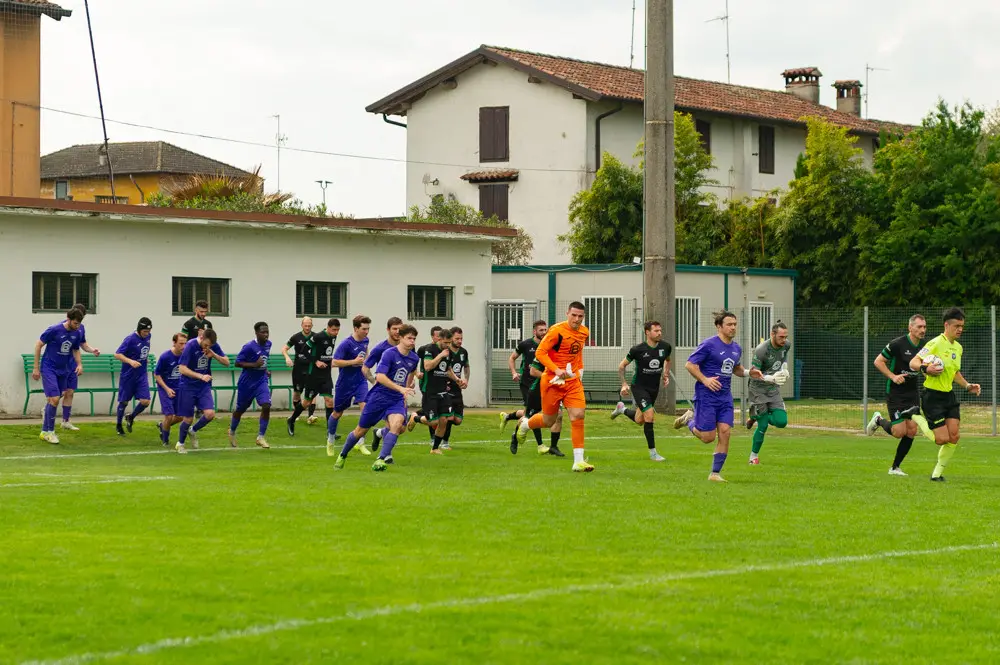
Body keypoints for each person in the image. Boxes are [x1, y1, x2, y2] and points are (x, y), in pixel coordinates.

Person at [673, 310, 750, 483]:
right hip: (706, 396)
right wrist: (705, 380)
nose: (733, 328)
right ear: (719, 326)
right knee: (708, 438)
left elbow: (735, 368)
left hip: (725, 397)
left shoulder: (737, 348)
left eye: (735, 324)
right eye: (729, 324)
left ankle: (714, 474)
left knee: (725, 432)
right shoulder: (708, 345)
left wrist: (748, 372)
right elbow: (690, 365)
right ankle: (688, 420)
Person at [516, 302, 592, 472]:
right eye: (574, 315)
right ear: (567, 313)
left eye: (580, 316)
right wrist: (556, 369)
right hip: (552, 381)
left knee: (578, 415)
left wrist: (579, 371)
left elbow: (577, 353)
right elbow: (540, 352)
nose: (577, 319)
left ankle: (578, 461)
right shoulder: (557, 331)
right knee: (548, 420)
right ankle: (525, 425)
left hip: (572, 381)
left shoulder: (584, 332)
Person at [908, 308, 981, 482]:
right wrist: (926, 368)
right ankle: (915, 415)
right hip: (932, 397)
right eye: (957, 325)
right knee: (941, 439)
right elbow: (913, 362)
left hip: (949, 396)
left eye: (962, 326)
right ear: (946, 325)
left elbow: (954, 372)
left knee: (954, 436)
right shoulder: (935, 343)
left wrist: (967, 385)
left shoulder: (958, 348)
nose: (960, 329)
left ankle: (937, 475)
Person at [334, 324, 420, 471]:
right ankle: (342, 455)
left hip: (396, 399)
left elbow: (411, 371)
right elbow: (379, 376)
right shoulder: (389, 353)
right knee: (360, 431)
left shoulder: (414, 358)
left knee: (397, 425)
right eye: (409, 338)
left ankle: (380, 460)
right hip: (379, 397)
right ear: (400, 338)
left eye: (414, 338)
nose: (412, 341)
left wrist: (406, 387)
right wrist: (400, 387)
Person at [866, 314, 927, 476]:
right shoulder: (897, 344)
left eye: (924, 327)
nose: (923, 330)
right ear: (910, 328)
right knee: (899, 432)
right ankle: (878, 420)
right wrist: (893, 376)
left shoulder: (926, 347)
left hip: (912, 393)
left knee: (912, 430)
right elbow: (878, 361)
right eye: (919, 327)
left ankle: (894, 468)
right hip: (895, 393)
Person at [610, 321, 672, 462]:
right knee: (649, 416)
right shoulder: (637, 350)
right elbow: (621, 366)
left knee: (640, 420)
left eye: (660, 330)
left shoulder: (665, 347)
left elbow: (668, 361)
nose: (659, 333)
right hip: (639, 387)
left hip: (654, 388)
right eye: (656, 331)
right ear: (647, 332)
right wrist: (624, 384)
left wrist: (666, 374)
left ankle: (622, 409)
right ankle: (653, 453)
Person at [31, 308, 85, 444]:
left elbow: (76, 349)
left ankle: (44, 432)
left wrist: (79, 364)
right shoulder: (54, 330)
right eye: (75, 323)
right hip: (49, 368)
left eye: (79, 324)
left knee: (55, 399)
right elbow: (38, 345)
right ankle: (50, 432)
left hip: (64, 370)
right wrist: (36, 368)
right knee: (54, 399)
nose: (77, 326)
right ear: (68, 319)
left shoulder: (77, 333)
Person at [744, 321, 792, 465]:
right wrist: (769, 377)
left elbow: (783, 360)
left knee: (782, 422)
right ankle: (753, 457)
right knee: (763, 425)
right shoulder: (761, 350)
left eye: (785, 337)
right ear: (772, 334)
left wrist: (785, 370)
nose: (784, 340)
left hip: (773, 389)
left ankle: (755, 415)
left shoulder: (786, 345)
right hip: (757, 389)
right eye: (781, 337)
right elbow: (753, 373)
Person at [176, 329, 230, 453]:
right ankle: (180, 443)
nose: (207, 347)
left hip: (203, 386)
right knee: (188, 418)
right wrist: (201, 376)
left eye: (210, 345)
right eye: (206, 345)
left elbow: (227, 362)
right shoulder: (190, 345)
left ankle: (193, 430)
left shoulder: (212, 346)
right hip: (188, 385)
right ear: (201, 337)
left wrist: (214, 354)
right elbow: (182, 369)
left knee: (210, 414)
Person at [328, 315, 372, 456]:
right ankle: (330, 440)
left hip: (360, 381)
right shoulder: (346, 344)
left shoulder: (366, 340)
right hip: (345, 384)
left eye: (368, 329)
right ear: (355, 328)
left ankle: (360, 443)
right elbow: (334, 362)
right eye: (364, 329)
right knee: (337, 413)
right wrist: (353, 361)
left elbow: (366, 355)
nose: (366, 332)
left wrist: (367, 365)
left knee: (366, 410)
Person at [500, 320, 548, 442]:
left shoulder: (548, 345)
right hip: (526, 382)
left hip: (540, 382)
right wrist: (514, 373)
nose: (544, 332)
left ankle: (507, 417)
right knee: (532, 414)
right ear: (534, 331)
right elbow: (512, 358)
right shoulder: (525, 344)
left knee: (529, 412)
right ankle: (539, 445)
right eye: (541, 330)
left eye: (545, 329)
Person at [228, 322, 273, 449]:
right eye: (263, 332)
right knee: (240, 410)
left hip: (261, 381)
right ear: (256, 333)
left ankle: (261, 437)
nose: (266, 335)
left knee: (266, 405)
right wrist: (254, 365)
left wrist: (265, 369)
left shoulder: (269, 344)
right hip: (246, 383)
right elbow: (237, 363)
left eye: (267, 332)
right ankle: (231, 431)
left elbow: (264, 360)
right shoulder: (248, 347)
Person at [361, 316, 403, 452]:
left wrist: (409, 383)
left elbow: (411, 367)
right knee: (392, 425)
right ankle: (386, 456)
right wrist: (374, 382)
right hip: (384, 392)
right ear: (388, 330)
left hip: (399, 392)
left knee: (400, 427)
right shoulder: (381, 348)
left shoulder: (406, 346)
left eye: (399, 329)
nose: (397, 331)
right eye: (394, 329)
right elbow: (365, 368)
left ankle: (378, 433)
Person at [509, 357, 565, 457]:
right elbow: (533, 371)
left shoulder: (564, 354)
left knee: (559, 416)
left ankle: (553, 447)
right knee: (528, 417)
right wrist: (549, 377)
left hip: (554, 391)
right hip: (537, 392)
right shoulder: (544, 352)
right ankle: (515, 437)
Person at [417, 328, 460, 453]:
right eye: (446, 343)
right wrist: (440, 356)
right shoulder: (430, 349)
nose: (448, 345)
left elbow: (447, 370)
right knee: (433, 421)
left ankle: (435, 448)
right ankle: (414, 418)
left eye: (449, 343)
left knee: (444, 420)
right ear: (439, 339)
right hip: (429, 390)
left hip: (442, 390)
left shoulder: (449, 352)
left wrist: (457, 379)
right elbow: (428, 366)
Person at [60, 303, 100, 431]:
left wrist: (92, 350)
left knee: (70, 392)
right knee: (60, 393)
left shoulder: (80, 328)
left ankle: (65, 421)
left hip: (72, 365)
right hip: (62, 365)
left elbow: (82, 344)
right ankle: (48, 408)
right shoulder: (63, 326)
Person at [113, 317, 153, 436]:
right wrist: (130, 361)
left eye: (149, 331)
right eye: (145, 331)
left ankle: (131, 417)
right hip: (128, 375)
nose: (147, 334)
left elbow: (143, 351)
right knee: (124, 401)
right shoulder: (130, 339)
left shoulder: (148, 337)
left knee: (145, 401)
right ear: (139, 329)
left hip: (141, 375)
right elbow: (117, 354)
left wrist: (144, 359)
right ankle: (119, 425)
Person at [282, 316, 314, 436]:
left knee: (312, 391)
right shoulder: (296, 337)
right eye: (305, 325)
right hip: (298, 369)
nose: (307, 327)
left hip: (311, 368)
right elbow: (284, 349)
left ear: (312, 326)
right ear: (302, 325)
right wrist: (287, 357)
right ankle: (296, 415)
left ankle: (311, 415)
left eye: (309, 325)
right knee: (297, 393)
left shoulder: (315, 337)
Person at [439, 327, 470, 450]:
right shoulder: (445, 352)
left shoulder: (463, 352)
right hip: (446, 389)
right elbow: (445, 370)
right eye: (457, 338)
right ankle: (444, 442)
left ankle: (419, 416)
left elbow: (466, 367)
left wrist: (466, 380)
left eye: (461, 338)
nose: (460, 341)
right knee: (449, 417)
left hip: (457, 389)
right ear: (451, 338)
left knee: (457, 420)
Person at [154, 333, 187, 447]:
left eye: (185, 343)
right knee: (169, 416)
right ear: (174, 343)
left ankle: (163, 426)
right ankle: (165, 440)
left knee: (180, 417)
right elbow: (157, 374)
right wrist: (167, 388)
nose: (183, 346)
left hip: (180, 388)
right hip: (165, 388)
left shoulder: (186, 356)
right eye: (181, 343)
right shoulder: (165, 356)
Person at [305, 318, 340, 426]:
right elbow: (303, 350)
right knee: (306, 402)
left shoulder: (333, 336)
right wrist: (316, 361)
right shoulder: (318, 336)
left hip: (326, 374)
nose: (336, 332)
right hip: (314, 373)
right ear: (328, 327)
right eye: (334, 330)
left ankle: (331, 430)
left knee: (329, 401)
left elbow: (328, 352)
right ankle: (292, 419)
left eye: (338, 330)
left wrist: (331, 361)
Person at [412, 326, 443, 444]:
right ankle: (432, 438)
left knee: (436, 410)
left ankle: (415, 416)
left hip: (439, 385)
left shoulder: (444, 349)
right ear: (432, 336)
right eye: (437, 336)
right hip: (427, 384)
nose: (440, 338)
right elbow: (413, 360)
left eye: (441, 335)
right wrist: (416, 373)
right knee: (433, 413)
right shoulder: (424, 349)